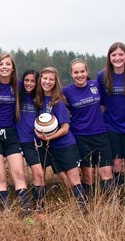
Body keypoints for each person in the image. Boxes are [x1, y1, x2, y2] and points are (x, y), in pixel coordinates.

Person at [0, 53, 31, 216]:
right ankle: (7, 212)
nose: (4, 67)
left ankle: (26, 211)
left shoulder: (17, 85)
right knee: (0, 176)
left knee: (18, 173)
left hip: (11, 134)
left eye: (8, 64)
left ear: (12, 68)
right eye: (1, 64)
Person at [35, 67, 87, 213]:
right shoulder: (38, 100)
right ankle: (74, 207)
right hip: (50, 148)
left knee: (73, 179)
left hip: (65, 145)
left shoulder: (57, 101)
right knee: (64, 179)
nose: (47, 82)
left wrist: (49, 138)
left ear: (55, 82)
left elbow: (65, 128)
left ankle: (83, 210)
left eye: (51, 79)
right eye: (45, 78)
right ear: (40, 80)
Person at [97, 42, 125, 202]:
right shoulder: (102, 76)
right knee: (115, 164)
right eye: (114, 55)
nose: (117, 58)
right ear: (109, 57)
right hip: (111, 126)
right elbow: (100, 101)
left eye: (120, 54)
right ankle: (116, 198)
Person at [63, 59, 114, 198]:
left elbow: (107, 103)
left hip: (101, 134)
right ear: (71, 74)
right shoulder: (66, 91)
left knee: (107, 172)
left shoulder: (95, 85)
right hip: (80, 136)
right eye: (76, 72)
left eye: (82, 71)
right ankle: (90, 205)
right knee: (88, 174)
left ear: (87, 72)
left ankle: (110, 207)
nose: (80, 75)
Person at [16, 69, 49, 212]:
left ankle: (40, 208)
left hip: (35, 142)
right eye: (26, 80)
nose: (29, 84)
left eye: (32, 81)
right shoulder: (17, 95)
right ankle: (25, 208)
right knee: (20, 175)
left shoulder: (39, 99)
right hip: (19, 141)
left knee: (39, 174)